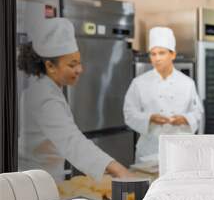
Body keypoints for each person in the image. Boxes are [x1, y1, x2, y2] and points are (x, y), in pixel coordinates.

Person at [18, 18, 132, 182]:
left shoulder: (48, 87)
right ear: (50, 66)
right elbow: (72, 141)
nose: (80, 69)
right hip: (35, 182)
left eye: (79, 62)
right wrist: (120, 171)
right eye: (72, 65)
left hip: (47, 177)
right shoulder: (42, 96)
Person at [123, 27, 203, 163]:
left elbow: (198, 112)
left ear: (173, 55)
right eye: (153, 54)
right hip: (149, 150)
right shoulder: (139, 83)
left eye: (161, 53)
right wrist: (149, 118)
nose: (157, 58)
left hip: (180, 150)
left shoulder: (187, 83)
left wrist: (184, 119)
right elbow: (129, 113)